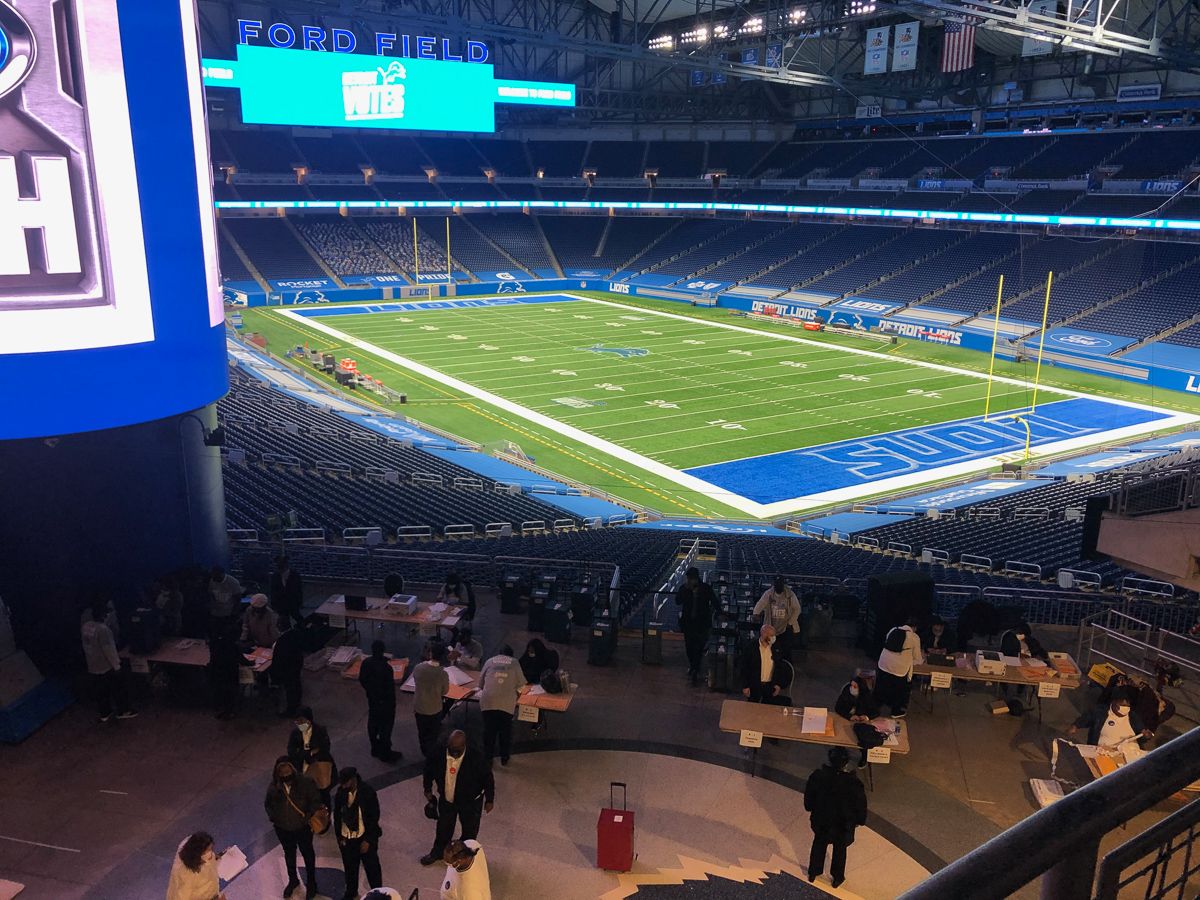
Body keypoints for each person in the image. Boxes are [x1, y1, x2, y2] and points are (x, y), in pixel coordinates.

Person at [420, 730, 495, 867]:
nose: (454, 753)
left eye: (458, 750)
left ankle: (464, 857)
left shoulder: (476, 757)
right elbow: (428, 770)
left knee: (470, 830)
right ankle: (437, 853)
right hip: (447, 800)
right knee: (443, 828)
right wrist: (427, 788)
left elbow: (488, 778)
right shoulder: (438, 753)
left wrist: (490, 800)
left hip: (470, 802)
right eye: (452, 749)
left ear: (464, 746)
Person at [804, 746, 868, 889]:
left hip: (822, 822)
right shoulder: (853, 783)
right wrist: (859, 821)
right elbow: (860, 805)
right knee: (840, 850)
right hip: (843, 825)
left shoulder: (818, 777)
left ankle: (814, 872)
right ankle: (837, 877)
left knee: (818, 845)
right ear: (846, 763)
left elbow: (809, 802)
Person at [264, 756, 322, 899]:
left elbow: (316, 800)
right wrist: (274, 817)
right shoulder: (274, 787)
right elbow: (268, 804)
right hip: (283, 829)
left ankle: (312, 883)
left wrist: (307, 816)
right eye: (282, 773)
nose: (285, 776)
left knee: (308, 854)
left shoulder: (305, 783)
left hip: (302, 828)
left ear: (292, 770)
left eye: (287, 772)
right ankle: (293, 880)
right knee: (289, 854)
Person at [81, 600, 136, 723]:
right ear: (104, 615)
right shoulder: (103, 630)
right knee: (118, 689)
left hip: (93, 665)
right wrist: (117, 666)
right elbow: (109, 650)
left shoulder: (86, 626)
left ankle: (105, 713)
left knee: (101, 692)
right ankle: (123, 711)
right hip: (106, 666)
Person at [334, 767, 383, 900]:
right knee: (350, 869)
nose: (343, 786)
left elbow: (374, 818)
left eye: (346, 782)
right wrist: (340, 837)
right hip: (348, 839)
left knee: (372, 869)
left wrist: (368, 840)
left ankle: (377, 894)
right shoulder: (341, 794)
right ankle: (351, 892)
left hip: (364, 838)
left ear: (353, 779)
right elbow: (338, 816)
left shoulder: (367, 793)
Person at [478, 644, 526, 766]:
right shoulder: (514, 663)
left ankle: (488, 758)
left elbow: (480, 684)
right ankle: (504, 758)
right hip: (506, 704)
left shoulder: (489, 661)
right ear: (511, 655)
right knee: (505, 732)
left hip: (488, 703)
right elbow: (522, 685)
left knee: (489, 732)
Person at [358, 641, 400, 762]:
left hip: (373, 699)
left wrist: (370, 691)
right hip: (386, 702)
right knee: (385, 728)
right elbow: (389, 688)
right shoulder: (386, 668)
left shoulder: (366, 663)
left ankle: (375, 747)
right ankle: (385, 752)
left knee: (373, 722)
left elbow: (362, 679)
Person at [288, 707, 338, 807]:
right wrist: (309, 753)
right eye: (297, 721)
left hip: (319, 770)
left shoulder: (320, 731)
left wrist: (308, 754)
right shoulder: (295, 734)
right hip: (302, 769)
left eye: (302, 721)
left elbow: (324, 749)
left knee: (323, 796)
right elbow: (292, 751)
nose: (299, 724)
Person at [874, 616, 923, 718]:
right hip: (899, 669)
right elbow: (918, 658)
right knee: (900, 690)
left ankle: (875, 707)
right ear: (915, 628)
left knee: (881, 686)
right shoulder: (914, 637)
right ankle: (896, 711)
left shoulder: (892, 630)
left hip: (883, 664)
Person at [1068, 690, 1151, 748]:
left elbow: (1142, 732)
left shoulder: (1133, 716)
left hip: (1129, 751)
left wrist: (1146, 735)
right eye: (1122, 705)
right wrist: (1075, 726)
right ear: (1113, 703)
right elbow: (1086, 718)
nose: (1125, 708)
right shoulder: (1100, 712)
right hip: (1104, 750)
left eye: (1127, 706)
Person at [676, 567, 715, 686]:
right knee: (689, 647)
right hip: (688, 624)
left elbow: (714, 601)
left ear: (696, 578)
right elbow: (677, 601)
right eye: (688, 579)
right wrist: (684, 591)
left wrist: (721, 612)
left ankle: (695, 670)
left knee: (698, 648)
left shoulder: (706, 588)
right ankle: (693, 666)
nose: (689, 581)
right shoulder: (684, 588)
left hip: (702, 624)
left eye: (691, 579)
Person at [834, 676, 882, 768]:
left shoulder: (867, 697)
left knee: (864, 740)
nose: (852, 688)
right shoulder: (846, 692)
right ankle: (840, 754)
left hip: (861, 723)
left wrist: (867, 717)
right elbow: (838, 708)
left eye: (855, 686)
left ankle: (864, 757)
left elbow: (876, 712)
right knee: (839, 737)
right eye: (851, 685)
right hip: (846, 719)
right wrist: (849, 716)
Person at [414, 641, 451, 758]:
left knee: (422, 731)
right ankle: (432, 753)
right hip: (434, 708)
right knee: (433, 733)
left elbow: (416, 681)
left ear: (430, 654)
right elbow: (445, 692)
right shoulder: (442, 674)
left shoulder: (418, 668)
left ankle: (424, 750)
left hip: (419, 706)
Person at [738, 624, 792, 705]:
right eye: (771, 635)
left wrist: (778, 684)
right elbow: (744, 667)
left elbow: (780, 667)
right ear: (763, 634)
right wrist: (745, 686)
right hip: (755, 685)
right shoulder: (751, 647)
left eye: (774, 635)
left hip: (770, 686)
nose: (773, 638)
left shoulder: (776, 647)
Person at [166, 831, 225, 900]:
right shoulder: (187, 876)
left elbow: (210, 870)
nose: (211, 853)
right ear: (197, 852)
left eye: (211, 849)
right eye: (208, 850)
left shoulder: (207, 857)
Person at [752, 578, 802, 659]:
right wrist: (756, 613)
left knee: (785, 652)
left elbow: (797, 609)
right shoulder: (768, 593)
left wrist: (791, 622)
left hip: (785, 627)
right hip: (770, 627)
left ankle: (786, 667)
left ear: (783, 585)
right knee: (768, 651)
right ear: (774, 585)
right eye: (777, 584)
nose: (778, 586)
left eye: (780, 584)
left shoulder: (790, 595)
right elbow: (760, 603)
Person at [209, 621, 249, 720]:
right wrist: (252, 662)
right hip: (230, 674)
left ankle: (221, 709)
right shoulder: (234, 647)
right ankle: (229, 712)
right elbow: (244, 661)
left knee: (221, 692)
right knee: (230, 694)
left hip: (217, 672)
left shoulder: (217, 644)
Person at [272, 617, 305, 718]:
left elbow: (279, 659)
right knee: (296, 685)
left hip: (287, 669)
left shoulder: (282, 641)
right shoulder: (296, 633)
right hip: (296, 665)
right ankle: (297, 704)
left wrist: (276, 674)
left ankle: (291, 710)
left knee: (290, 689)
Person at [270, 555, 305, 629]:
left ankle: (303, 629)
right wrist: (273, 603)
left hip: (292, 602)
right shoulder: (275, 576)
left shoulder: (295, 575)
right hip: (281, 603)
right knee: (285, 622)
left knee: (297, 617)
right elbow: (273, 591)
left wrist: (300, 602)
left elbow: (298, 590)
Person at [207, 566, 243, 637]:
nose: (214, 578)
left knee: (227, 634)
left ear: (221, 574)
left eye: (216, 576)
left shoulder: (233, 582)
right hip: (215, 613)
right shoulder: (212, 581)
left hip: (228, 614)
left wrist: (234, 614)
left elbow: (238, 599)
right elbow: (211, 595)